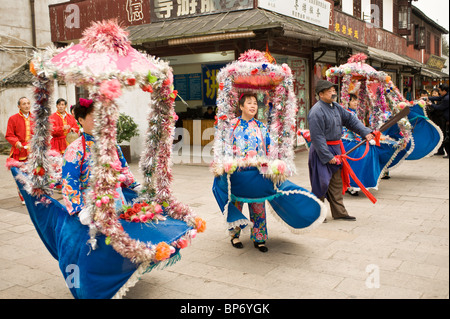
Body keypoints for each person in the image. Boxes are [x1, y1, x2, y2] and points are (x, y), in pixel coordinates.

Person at [308, 80, 375, 221]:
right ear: (321, 94)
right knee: (322, 183)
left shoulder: (336, 107)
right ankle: (317, 213)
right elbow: (317, 137)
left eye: (334, 90)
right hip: (322, 150)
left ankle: (339, 212)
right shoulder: (316, 111)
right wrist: (327, 156)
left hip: (337, 149)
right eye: (330, 90)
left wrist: (365, 132)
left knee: (336, 183)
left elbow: (351, 120)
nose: (333, 92)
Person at [61, 98, 138, 216]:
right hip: (91, 208)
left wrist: (136, 185)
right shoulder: (74, 150)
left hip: (118, 202)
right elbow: (69, 182)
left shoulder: (112, 144)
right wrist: (79, 210)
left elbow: (124, 168)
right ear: (81, 120)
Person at [229, 93, 271, 252]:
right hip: (237, 173)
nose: (253, 106)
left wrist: (267, 171)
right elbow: (224, 147)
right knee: (236, 205)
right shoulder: (232, 125)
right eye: (249, 103)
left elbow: (268, 149)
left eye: (255, 103)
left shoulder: (261, 127)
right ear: (241, 106)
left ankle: (259, 237)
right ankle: (235, 235)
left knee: (258, 205)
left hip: (257, 173)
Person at [5, 97, 34, 204]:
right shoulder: (13, 119)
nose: (26, 106)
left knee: (33, 173)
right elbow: (9, 135)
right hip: (19, 150)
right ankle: (23, 197)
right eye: (24, 104)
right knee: (20, 175)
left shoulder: (35, 118)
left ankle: (33, 194)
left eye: (28, 103)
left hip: (32, 151)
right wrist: (17, 143)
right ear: (19, 106)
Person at [342, 94, 361, 196]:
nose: (355, 102)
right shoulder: (349, 113)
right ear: (348, 102)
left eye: (356, 100)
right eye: (353, 101)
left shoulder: (352, 112)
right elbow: (354, 129)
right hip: (349, 142)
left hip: (348, 141)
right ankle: (351, 186)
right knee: (352, 165)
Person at [428, 84, 449, 158]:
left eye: (440, 91)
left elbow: (440, 107)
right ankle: (440, 151)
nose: (439, 92)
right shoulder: (445, 96)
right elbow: (439, 98)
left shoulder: (447, 98)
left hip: (446, 120)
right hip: (443, 119)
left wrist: (431, 104)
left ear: (444, 91)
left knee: (446, 136)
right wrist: (428, 98)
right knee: (443, 135)